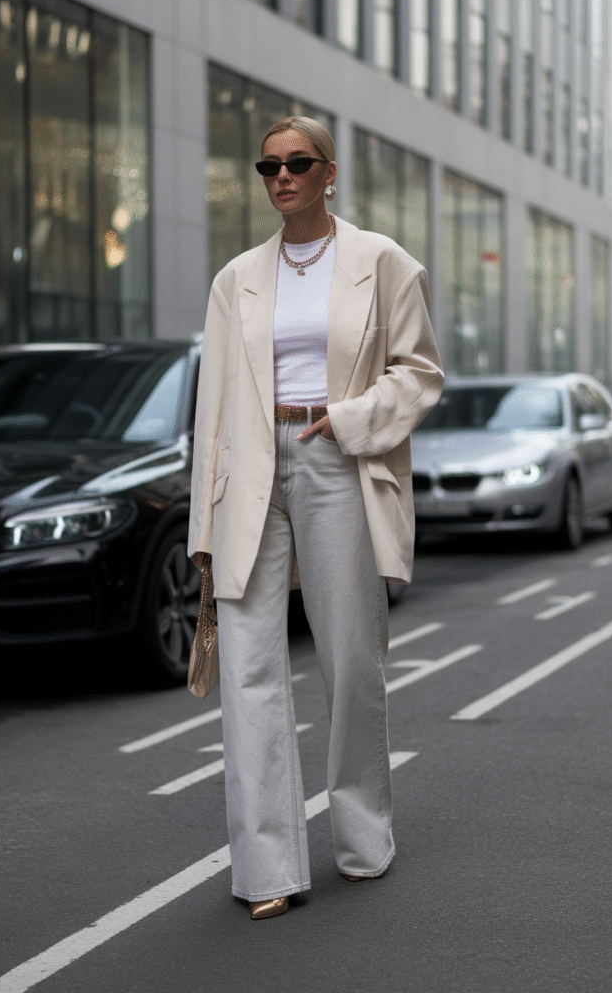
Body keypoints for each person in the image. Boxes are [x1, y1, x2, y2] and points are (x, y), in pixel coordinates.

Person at [188, 116, 443, 920]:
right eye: (268, 165)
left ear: (330, 172)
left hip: (337, 454)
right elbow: (214, 406)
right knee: (248, 667)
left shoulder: (383, 263)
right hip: (249, 468)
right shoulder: (235, 279)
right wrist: (203, 525)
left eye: (298, 163)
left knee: (349, 660)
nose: (281, 177)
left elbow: (420, 372)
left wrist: (352, 415)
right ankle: (265, 871)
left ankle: (362, 834)